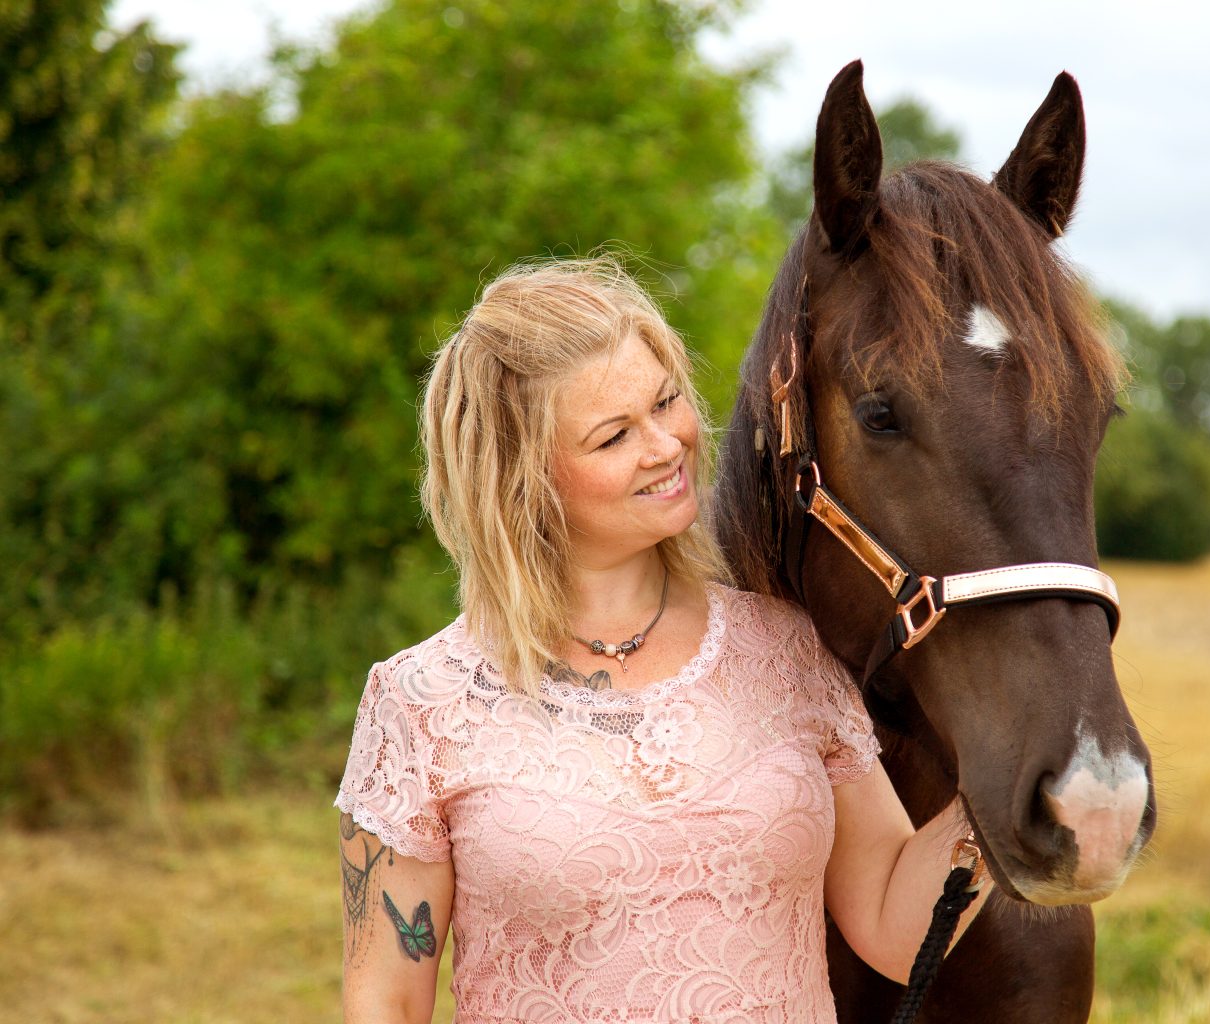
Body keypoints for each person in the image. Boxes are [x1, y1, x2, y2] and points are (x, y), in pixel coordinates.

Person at [336, 257, 991, 1024]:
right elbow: (388, 999)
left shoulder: (787, 651)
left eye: (667, 401)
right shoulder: (421, 703)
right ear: (521, 481)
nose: (666, 444)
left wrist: (1002, 781)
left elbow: (890, 924)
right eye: (614, 436)